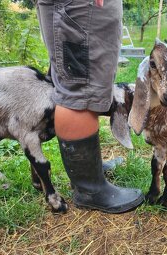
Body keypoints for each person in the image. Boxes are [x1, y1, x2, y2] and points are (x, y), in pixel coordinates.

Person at [36, 0, 144, 213]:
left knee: (85, 87)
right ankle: (90, 190)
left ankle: (89, 173)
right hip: (79, 7)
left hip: (80, 7)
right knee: (79, 90)